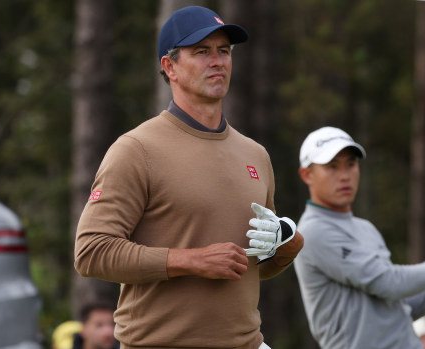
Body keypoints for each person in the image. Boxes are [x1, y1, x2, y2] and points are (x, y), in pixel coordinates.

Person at [74, 6, 303, 349]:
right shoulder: (136, 149)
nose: (217, 61)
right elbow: (91, 252)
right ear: (170, 67)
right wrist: (191, 260)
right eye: (201, 51)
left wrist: (288, 240)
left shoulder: (255, 154)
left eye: (224, 51)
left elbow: (253, 266)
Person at [293, 126, 425, 349]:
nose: (344, 176)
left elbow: (398, 310)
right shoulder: (314, 231)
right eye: (332, 166)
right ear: (307, 174)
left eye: (351, 164)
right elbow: (387, 282)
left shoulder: (366, 228)